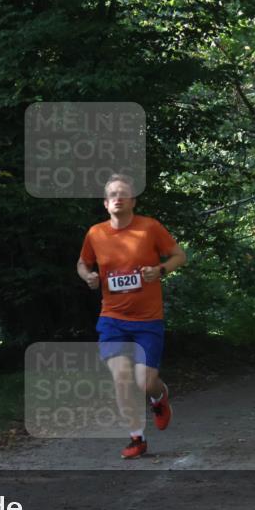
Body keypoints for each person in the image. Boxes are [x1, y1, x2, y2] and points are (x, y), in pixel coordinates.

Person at [77, 174, 187, 458]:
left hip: (148, 320)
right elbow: (82, 262)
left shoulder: (149, 228)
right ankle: (136, 438)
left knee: (145, 382)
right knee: (122, 378)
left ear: (133, 200)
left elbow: (179, 255)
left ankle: (158, 396)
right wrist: (88, 276)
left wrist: (160, 270)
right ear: (105, 203)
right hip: (112, 318)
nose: (118, 197)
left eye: (123, 193)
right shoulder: (95, 233)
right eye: (112, 193)